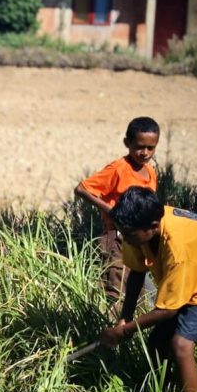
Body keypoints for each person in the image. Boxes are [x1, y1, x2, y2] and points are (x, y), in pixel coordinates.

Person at [99, 187, 197, 392]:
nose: (123, 238)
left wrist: (125, 331)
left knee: (181, 344)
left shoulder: (178, 249)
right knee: (157, 340)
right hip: (189, 267)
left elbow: (168, 310)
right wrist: (124, 319)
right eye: (122, 232)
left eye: (127, 235)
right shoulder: (135, 230)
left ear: (153, 227)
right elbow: (137, 272)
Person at [75, 117, 160, 314]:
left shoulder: (149, 171)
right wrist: (113, 212)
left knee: (147, 294)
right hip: (118, 237)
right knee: (116, 291)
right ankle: (108, 335)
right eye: (140, 147)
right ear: (127, 143)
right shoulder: (118, 169)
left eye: (150, 148)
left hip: (140, 241)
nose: (145, 153)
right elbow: (82, 189)